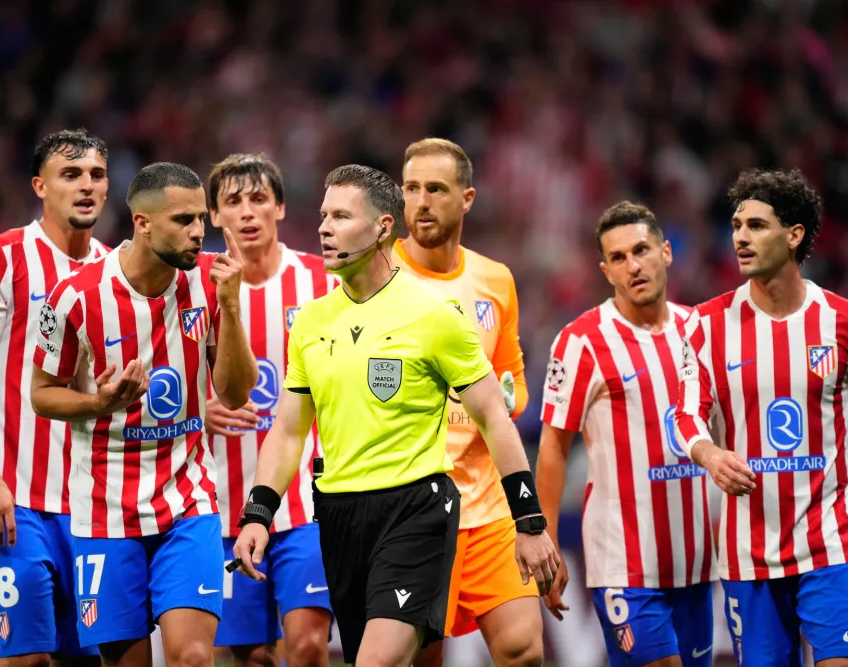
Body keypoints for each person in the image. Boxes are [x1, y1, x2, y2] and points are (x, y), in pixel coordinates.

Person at [231, 164, 559, 667]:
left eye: (341, 216)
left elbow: (496, 417)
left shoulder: (433, 316)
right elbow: (290, 429)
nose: (323, 227)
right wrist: (259, 511)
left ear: (384, 227)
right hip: (339, 516)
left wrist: (529, 521)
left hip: (416, 509)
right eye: (323, 215)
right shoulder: (313, 322)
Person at [674, 169, 848, 667]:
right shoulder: (706, 324)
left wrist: (841, 480)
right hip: (748, 551)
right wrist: (709, 453)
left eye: (756, 225)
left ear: (794, 234)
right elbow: (685, 413)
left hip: (833, 543)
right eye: (736, 225)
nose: (739, 236)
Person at [29, 162, 259, 667]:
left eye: (201, 218)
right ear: (142, 223)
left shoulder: (209, 283)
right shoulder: (75, 297)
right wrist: (100, 403)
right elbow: (42, 394)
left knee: (194, 657)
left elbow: (236, 393)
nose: (199, 231)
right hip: (105, 509)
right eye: (183, 220)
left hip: (188, 499)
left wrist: (232, 308)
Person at [0, 128, 110, 667]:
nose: (85, 186)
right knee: (29, 658)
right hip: (11, 493)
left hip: (93, 506)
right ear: (40, 186)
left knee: (85, 659)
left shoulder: (115, 271)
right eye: (70, 175)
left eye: (95, 175)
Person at [535, 202, 717, 667]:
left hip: (696, 560)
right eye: (618, 258)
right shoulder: (582, 341)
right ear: (605, 270)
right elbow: (554, 447)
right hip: (622, 561)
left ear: (667, 252)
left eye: (641, 250)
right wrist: (547, 542)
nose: (633, 266)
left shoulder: (700, 330)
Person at [392, 138, 542, 667]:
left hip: (488, 506)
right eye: (411, 189)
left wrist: (500, 400)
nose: (421, 202)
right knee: (418, 659)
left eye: (436, 189)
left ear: (468, 198)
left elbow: (516, 383)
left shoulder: (495, 279)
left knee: (523, 649)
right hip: (410, 508)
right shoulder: (377, 277)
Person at [205, 153, 335, 667]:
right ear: (214, 216)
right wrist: (201, 409)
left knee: (306, 645)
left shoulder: (323, 282)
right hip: (222, 503)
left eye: (259, 199)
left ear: (280, 207)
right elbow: (164, 365)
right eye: (232, 202)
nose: (247, 213)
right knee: (252, 655)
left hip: (306, 498)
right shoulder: (196, 283)